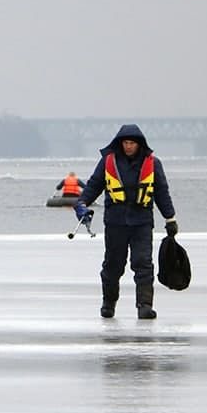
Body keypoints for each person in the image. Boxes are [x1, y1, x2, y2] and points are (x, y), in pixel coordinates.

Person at [78, 124, 177, 320]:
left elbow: (161, 192)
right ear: (120, 143)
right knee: (113, 265)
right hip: (115, 222)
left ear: (139, 144)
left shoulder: (153, 163)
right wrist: (81, 203)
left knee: (143, 264)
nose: (128, 146)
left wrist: (170, 218)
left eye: (132, 143)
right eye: (125, 143)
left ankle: (145, 306)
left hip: (142, 223)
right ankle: (108, 303)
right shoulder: (108, 162)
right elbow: (94, 184)